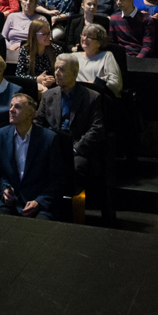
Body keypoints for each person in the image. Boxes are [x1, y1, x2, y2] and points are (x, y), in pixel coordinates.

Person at [37, 54, 109, 216]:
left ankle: (70, 210)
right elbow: (37, 122)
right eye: (55, 69)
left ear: (75, 72)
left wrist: (76, 149)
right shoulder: (48, 96)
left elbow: (97, 129)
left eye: (61, 69)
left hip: (77, 148)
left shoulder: (91, 97)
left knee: (73, 167)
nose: (57, 73)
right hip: (53, 145)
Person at [0, 94, 62, 218]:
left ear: (30, 114)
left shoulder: (48, 139)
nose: (11, 110)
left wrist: (39, 201)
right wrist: (5, 190)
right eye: (11, 106)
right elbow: (0, 174)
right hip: (12, 202)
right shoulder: (0, 136)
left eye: (17, 107)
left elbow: (57, 179)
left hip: (39, 203)